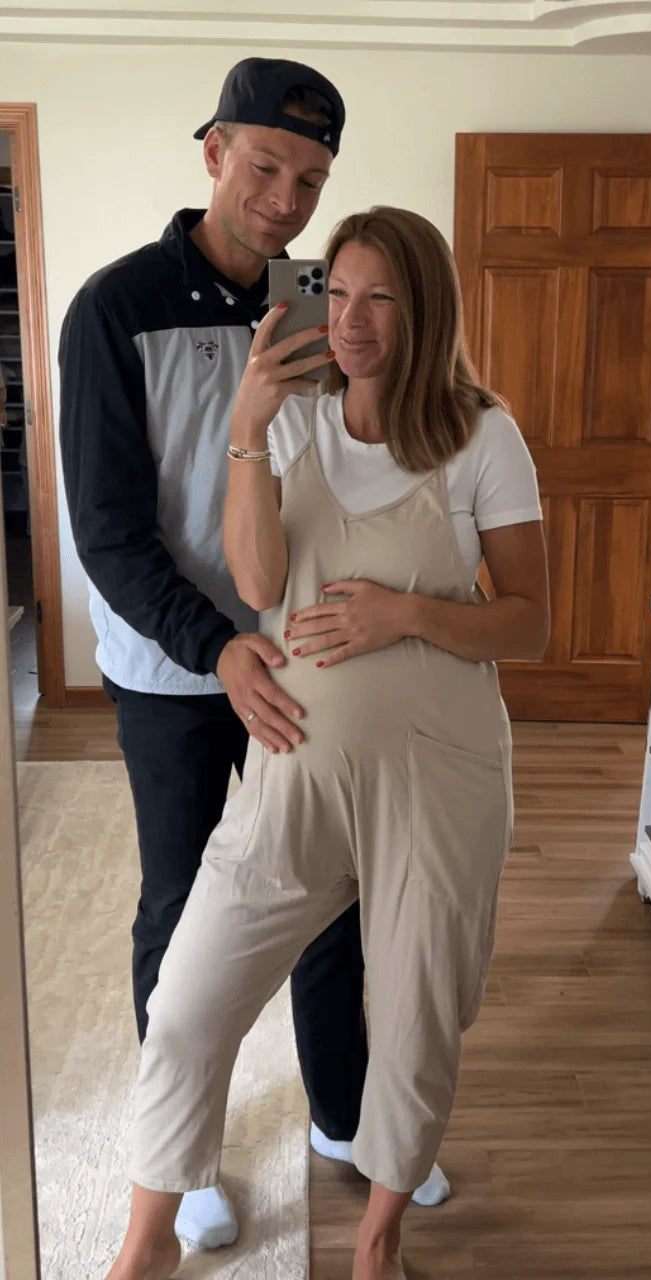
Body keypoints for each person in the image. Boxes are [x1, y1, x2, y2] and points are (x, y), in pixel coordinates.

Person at [104, 205, 550, 1280]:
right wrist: (249, 423)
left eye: (379, 298)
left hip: (439, 783)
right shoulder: (292, 423)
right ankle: (145, 1242)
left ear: (424, 308)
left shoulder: (483, 435)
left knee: (416, 1019)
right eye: (336, 293)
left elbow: (530, 623)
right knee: (188, 1000)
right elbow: (259, 580)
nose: (350, 320)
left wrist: (410, 614)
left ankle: (378, 1241)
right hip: (293, 776)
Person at [59, 58, 448, 1255]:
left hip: (306, 656)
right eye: (268, 166)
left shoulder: (321, 297)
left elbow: (359, 457)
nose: (287, 198)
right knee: (185, 905)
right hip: (177, 669)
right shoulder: (114, 307)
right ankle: (183, 1155)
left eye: (312, 178)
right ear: (215, 151)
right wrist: (216, 643)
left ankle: (341, 1113)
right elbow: (108, 532)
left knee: (325, 892)